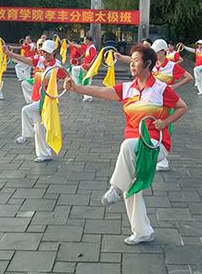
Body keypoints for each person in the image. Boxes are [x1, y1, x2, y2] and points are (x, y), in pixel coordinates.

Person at [64, 44, 187, 245]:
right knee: (132, 186)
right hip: (134, 147)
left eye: (136, 60)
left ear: (147, 63)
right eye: (131, 60)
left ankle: (115, 188)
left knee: (128, 145)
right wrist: (76, 88)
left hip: (155, 145)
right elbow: (101, 91)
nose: (132, 64)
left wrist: (165, 122)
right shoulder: (127, 88)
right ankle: (142, 232)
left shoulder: (161, 89)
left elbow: (182, 107)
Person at [5, 40, 66, 159]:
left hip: (47, 101)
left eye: (48, 52)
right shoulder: (40, 61)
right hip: (37, 98)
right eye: (43, 52)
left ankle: (27, 134)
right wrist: (9, 53)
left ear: (54, 52)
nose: (45, 54)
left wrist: (54, 91)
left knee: (26, 110)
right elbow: (24, 59)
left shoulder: (57, 66)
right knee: (39, 126)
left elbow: (68, 82)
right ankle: (44, 154)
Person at [151, 39, 193, 171]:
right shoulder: (153, 65)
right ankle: (157, 158)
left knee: (164, 129)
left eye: (156, 52)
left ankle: (163, 161)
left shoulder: (172, 66)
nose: (154, 54)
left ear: (163, 52)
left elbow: (189, 77)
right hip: (153, 102)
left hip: (167, 102)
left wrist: (175, 86)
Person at [69, 35, 97, 101]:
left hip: (87, 67)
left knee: (86, 82)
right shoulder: (88, 47)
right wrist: (78, 58)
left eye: (85, 40)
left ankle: (87, 96)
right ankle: (78, 85)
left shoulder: (92, 47)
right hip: (84, 66)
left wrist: (90, 64)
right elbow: (84, 53)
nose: (84, 41)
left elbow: (95, 56)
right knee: (74, 70)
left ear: (88, 41)